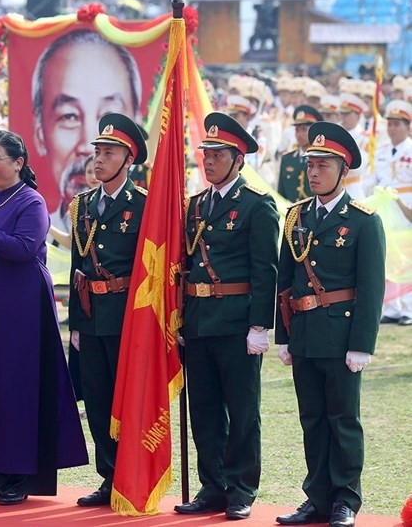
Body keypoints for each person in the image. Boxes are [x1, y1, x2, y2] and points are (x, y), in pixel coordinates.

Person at [0, 130, 88, 505]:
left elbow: (24, 249)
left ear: (18, 163)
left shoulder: (32, 201)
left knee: (16, 387)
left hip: (22, 308)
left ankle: (18, 476)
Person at [275, 122, 385, 527]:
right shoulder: (295, 216)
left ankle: (345, 499)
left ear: (344, 170)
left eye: (323, 165)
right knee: (312, 419)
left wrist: (362, 345)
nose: (315, 172)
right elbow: (284, 283)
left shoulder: (362, 220)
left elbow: (371, 288)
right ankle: (317, 497)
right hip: (303, 333)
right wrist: (283, 336)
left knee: (343, 419)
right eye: (311, 165)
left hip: (341, 336)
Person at [175, 112, 279, 520]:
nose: (209, 161)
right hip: (199, 320)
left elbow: (264, 270)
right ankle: (212, 486)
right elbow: (184, 265)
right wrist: (182, 319)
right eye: (206, 153)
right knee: (203, 407)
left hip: (237, 323)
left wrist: (259, 326)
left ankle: (241, 488)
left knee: (241, 410)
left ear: (239, 159)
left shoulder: (257, 205)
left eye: (218, 154)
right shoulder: (196, 206)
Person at [67, 114, 148, 507]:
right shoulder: (82, 204)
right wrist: (77, 325)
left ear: (128, 159)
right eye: (97, 152)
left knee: (126, 401)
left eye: (109, 152)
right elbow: (77, 265)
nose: (99, 159)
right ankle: (109, 476)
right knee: (98, 400)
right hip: (91, 314)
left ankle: (133, 475)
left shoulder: (145, 205)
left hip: (127, 317)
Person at [31, 29, 142, 230]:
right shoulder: (80, 207)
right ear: (40, 133)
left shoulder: (145, 208)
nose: (87, 148)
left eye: (109, 114)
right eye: (69, 116)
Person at [375, 100, 412, 326]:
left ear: (408, 127)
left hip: (406, 207)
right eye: (389, 124)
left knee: (408, 260)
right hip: (387, 211)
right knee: (389, 258)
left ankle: (408, 307)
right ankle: (392, 307)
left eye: (397, 124)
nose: (392, 129)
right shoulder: (381, 152)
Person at [278, 106, 322, 202]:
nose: (299, 134)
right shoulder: (287, 159)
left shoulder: (321, 160)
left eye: (304, 130)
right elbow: (281, 194)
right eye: (297, 130)